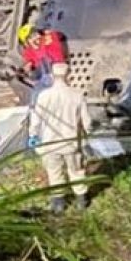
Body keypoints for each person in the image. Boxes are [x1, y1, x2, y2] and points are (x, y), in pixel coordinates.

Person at [28, 63, 92, 213]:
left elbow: (35, 120)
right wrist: (87, 133)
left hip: (50, 143)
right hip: (71, 143)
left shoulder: (44, 96)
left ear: (52, 76)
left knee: (54, 172)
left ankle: (59, 204)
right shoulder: (77, 95)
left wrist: (33, 135)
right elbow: (87, 122)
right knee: (76, 171)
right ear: (68, 75)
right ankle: (81, 201)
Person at [18, 24, 68, 91]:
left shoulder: (48, 38)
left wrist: (46, 32)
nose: (36, 36)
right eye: (32, 36)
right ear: (27, 42)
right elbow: (29, 63)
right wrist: (23, 70)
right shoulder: (29, 52)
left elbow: (59, 35)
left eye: (36, 33)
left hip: (59, 71)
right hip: (46, 78)